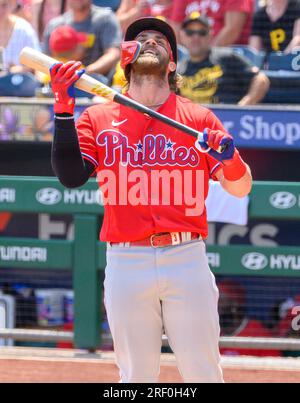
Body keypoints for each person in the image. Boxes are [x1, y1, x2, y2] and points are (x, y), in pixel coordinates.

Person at [50, 17, 252, 383]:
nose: (150, 42)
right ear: (126, 56)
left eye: (160, 40)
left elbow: (240, 188)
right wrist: (64, 111)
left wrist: (230, 158)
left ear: (172, 62)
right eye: (140, 38)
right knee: (136, 376)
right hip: (126, 257)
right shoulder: (98, 116)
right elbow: (71, 176)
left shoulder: (198, 117)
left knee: (204, 372)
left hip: (186, 255)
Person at [179, 13, 270, 105]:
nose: (196, 37)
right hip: (189, 118)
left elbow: (261, 79)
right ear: (182, 36)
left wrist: (243, 106)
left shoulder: (227, 57)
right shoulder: (178, 69)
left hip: (225, 117)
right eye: (190, 32)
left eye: (202, 32)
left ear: (210, 35)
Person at [43, 0, 121, 80]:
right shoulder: (56, 25)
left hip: (96, 84)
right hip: (59, 82)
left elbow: (113, 54)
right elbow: (45, 58)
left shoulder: (105, 19)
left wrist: (84, 73)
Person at [218, 280, 281, 357]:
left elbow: (273, 365)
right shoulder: (213, 334)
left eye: (219, 301)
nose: (215, 307)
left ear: (234, 307)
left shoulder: (258, 333)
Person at [169, 0, 255, 46]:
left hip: (228, 53)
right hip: (191, 51)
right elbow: (175, 26)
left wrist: (206, 55)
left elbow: (232, 30)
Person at [0, 0, 40, 73]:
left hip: (19, 82)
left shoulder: (24, 30)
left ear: (11, 4)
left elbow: (37, 63)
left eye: (4, 5)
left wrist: (13, 71)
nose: (0, 10)